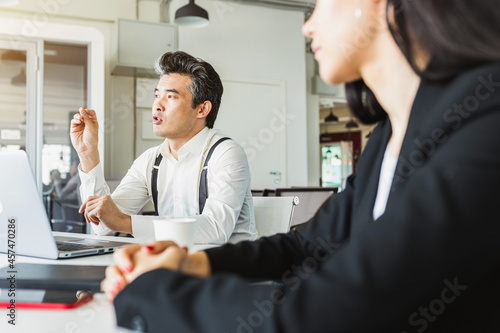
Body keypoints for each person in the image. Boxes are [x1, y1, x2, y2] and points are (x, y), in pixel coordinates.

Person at [102, 0, 500, 332]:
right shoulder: (387, 136)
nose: (308, 26)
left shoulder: (485, 120)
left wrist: (153, 292)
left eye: (322, 3)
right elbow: (304, 245)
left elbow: (340, 308)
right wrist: (191, 263)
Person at [71, 51, 256, 244]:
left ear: (202, 109)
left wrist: (126, 223)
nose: (157, 105)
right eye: (157, 95)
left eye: (171, 97)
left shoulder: (226, 153)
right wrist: (88, 152)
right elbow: (102, 226)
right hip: (177, 265)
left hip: (228, 268)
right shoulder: (151, 160)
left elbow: (216, 229)